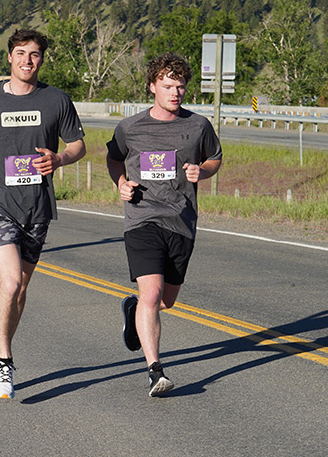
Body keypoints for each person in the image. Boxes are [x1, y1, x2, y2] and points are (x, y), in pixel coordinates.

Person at [0, 29, 86, 399]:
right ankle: (5, 361)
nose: (28, 60)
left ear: (42, 60)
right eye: (21, 53)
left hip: (37, 206)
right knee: (9, 283)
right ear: (9, 57)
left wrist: (60, 158)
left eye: (35, 54)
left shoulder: (56, 100)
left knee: (21, 289)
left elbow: (78, 145)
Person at [106, 52, 222, 397]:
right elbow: (113, 158)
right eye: (169, 85)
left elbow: (214, 158)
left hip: (182, 221)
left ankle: (134, 309)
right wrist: (121, 184)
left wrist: (203, 171)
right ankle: (155, 370)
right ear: (153, 86)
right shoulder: (130, 128)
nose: (176, 92)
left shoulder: (198, 125)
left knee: (165, 301)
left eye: (181, 86)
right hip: (142, 218)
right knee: (152, 292)